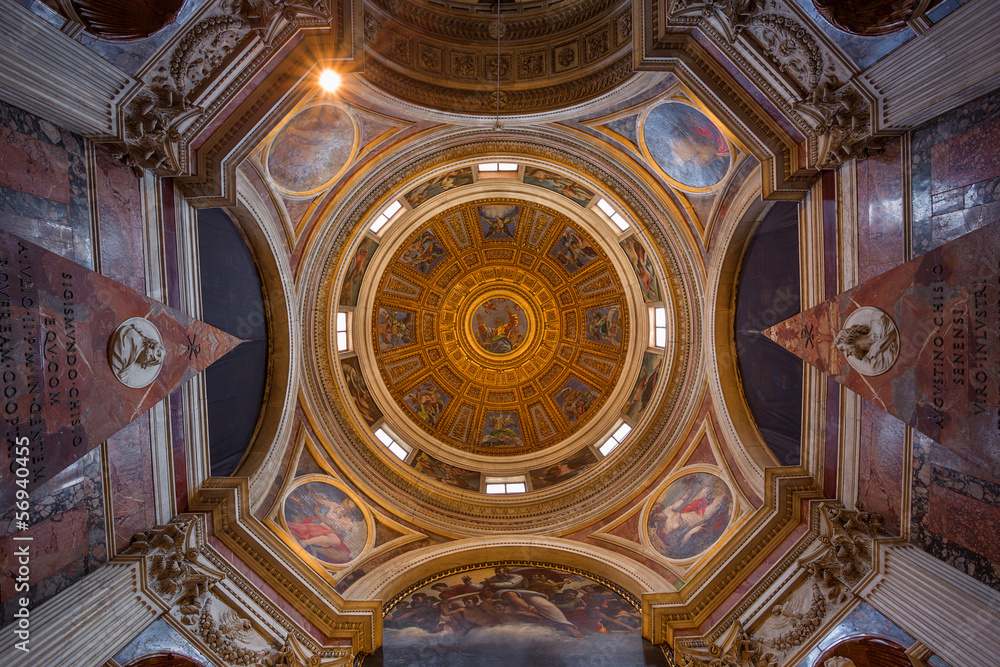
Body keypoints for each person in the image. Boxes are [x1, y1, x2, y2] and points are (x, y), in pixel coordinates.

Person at [834, 310, 898, 375]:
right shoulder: (875, 364)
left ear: (849, 336)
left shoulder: (878, 319)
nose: (847, 355)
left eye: (843, 349)